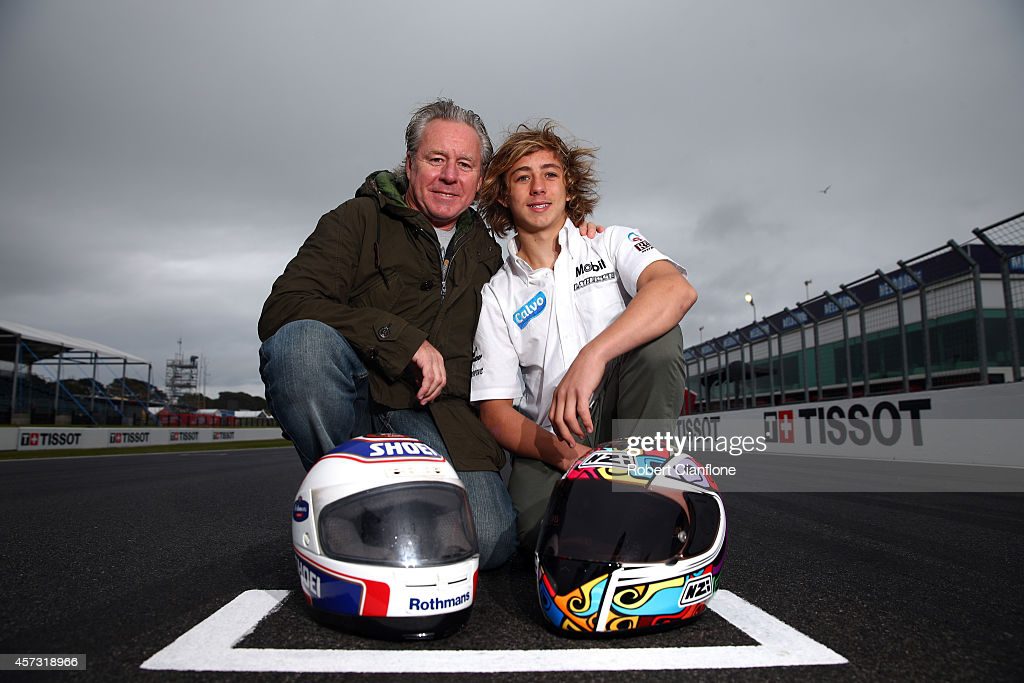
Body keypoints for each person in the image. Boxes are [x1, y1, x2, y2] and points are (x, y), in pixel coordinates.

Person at [258, 101, 599, 571]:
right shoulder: (357, 219)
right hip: (357, 401)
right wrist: (401, 339)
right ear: (410, 163)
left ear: (480, 180)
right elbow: (284, 305)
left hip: (437, 419)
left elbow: (536, 277)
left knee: (491, 543)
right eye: (436, 160)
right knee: (299, 348)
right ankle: (341, 507)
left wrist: (576, 239)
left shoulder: (489, 255)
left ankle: (395, 515)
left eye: (465, 165)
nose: (449, 176)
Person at [470, 122, 698, 551]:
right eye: (523, 177)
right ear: (504, 194)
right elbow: (495, 413)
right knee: (536, 539)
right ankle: (607, 510)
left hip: (620, 419)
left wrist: (591, 357)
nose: (538, 187)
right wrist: (564, 454)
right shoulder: (497, 293)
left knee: (659, 338)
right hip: (552, 442)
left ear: (569, 187)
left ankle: (647, 481)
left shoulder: (611, 242)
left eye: (550, 174)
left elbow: (676, 290)